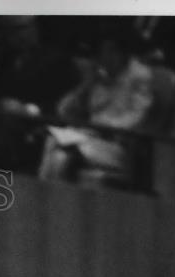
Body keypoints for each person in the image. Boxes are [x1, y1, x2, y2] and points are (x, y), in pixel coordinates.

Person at [37, 29, 155, 185]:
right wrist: (86, 86)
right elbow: (63, 110)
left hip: (116, 146)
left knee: (64, 153)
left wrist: (102, 126)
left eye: (103, 53)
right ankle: (44, 198)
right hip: (88, 138)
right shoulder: (99, 76)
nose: (99, 59)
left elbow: (137, 117)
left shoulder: (140, 76)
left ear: (116, 52)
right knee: (55, 147)